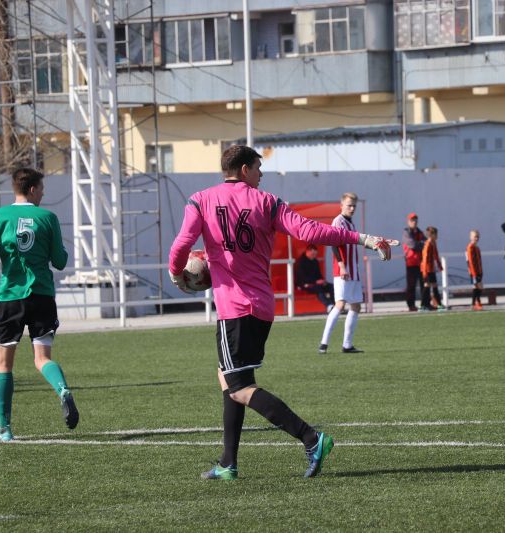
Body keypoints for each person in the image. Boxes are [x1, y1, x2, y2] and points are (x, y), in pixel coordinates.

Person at [168, 145, 397, 480]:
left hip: (234, 308)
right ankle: (228, 463)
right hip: (261, 306)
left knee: (238, 387)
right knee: (229, 377)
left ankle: (311, 438)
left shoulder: (200, 200)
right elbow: (310, 231)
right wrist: (363, 238)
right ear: (244, 170)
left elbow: (181, 245)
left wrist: (176, 273)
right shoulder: (267, 202)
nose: (261, 175)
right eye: (258, 168)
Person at [0, 168, 78, 442]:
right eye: (41, 188)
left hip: (11, 297)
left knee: (4, 365)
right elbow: (60, 261)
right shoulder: (48, 218)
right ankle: (63, 390)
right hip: (42, 296)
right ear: (32, 189)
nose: (43, 193)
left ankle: (5, 429)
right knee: (42, 358)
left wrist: (3, 247)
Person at [319, 192, 366, 354]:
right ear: (341, 206)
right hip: (343, 271)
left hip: (353, 271)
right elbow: (333, 244)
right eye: (349, 205)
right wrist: (342, 266)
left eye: (354, 206)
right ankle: (323, 343)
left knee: (356, 306)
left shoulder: (351, 223)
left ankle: (347, 345)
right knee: (340, 304)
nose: (352, 208)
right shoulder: (338, 221)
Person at [295, 244, 334, 311]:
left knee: (331, 286)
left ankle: (334, 305)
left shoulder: (315, 261)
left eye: (315, 254)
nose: (314, 256)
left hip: (316, 283)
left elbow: (318, 274)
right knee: (319, 288)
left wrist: (323, 281)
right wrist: (315, 281)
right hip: (304, 284)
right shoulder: (300, 262)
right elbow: (302, 277)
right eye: (312, 254)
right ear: (307, 251)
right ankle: (329, 305)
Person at [402, 212, 427, 311]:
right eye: (412, 220)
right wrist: (420, 244)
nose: (414, 222)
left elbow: (426, 243)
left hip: (421, 262)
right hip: (411, 262)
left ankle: (425, 304)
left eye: (415, 220)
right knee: (411, 285)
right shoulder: (406, 232)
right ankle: (411, 305)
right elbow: (412, 245)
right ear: (408, 221)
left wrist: (420, 244)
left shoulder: (420, 232)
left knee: (424, 284)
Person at [420, 226, 443, 311]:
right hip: (427, 269)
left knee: (433, 285)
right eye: (436, 234)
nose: (437, 236)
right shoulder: (428, 244)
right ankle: (423, 305)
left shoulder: (433, 243)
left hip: (431, 269)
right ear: (432, 235)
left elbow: (436, 255)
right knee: (428, 286)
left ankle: (437, 304)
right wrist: (425, 272)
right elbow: (425, 259)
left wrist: (439, 265)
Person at [466, 229, 483, 311]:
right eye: (475, 236)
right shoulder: (470, 247)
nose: (476, 238)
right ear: (471, 237)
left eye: (478, 237)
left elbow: (479, 260)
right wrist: (474, 273)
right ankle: (476, 303)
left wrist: (481, 270)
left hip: (479, 271)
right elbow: (470, 262)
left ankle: (474, 303)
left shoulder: (477, 248)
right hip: (474, 272)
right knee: (478, 286)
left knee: (477, 287)